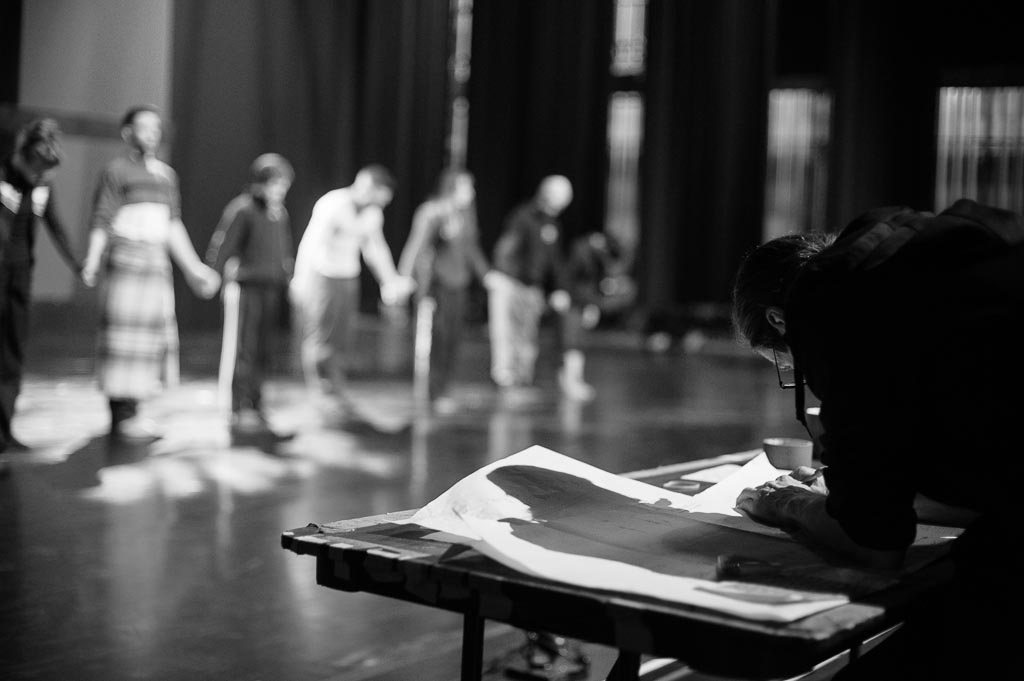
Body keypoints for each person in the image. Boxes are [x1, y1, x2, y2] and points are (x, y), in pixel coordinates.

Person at [730, 198, 1024, 680]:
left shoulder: (840, 313)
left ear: (781, 321)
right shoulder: (914, 264)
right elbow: (993, 480)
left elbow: (874, 546)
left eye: (787, 364)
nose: (800, 371)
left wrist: (787, 503)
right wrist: (876, 492)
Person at [81, 105, 220, 440]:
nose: (151, 134)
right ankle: (120, 414)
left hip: (155, 265)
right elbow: (102, 218)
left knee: (148, 342)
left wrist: (194, 269)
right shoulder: (115, 172)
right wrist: (92, 259)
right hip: (127, 260)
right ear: (127, 133)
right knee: (122, 341)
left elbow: (172, 226)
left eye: (156, 129)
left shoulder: (165, 176)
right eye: (144, 128)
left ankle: (135, 411)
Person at [290, 164, 413, 420]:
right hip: (324, 275)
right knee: (321, 335)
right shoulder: (333, 204)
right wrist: (300, 279)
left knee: (342, 336)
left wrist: (388, 280)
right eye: (381, 195)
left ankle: (335, 388)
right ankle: (320, 390)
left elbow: (375, 249)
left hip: (348, 276)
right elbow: (311, 242)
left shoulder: (372, 214)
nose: (383, 202)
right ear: (368, 186)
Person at [0, 118, 82, 453]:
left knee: (12, 354)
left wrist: (78, 264)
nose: (41, 178)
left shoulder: (42, 186)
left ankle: (3, 433)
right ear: (24, 156)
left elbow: (56, 227)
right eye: (38, 170)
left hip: (20, 276)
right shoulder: (4, 176)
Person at [205, 153, 295, 441]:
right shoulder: (242, 209)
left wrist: (288, 276)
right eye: (273, 184)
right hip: (245, 287)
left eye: (283, 185)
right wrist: (213, 275)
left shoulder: (279, 213)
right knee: (243, 348)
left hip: (270, 288)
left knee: (263, 349)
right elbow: (223, 245)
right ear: (259, 183)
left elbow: (284, 251)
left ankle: (255, 402)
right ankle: (238, 406)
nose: (278, 191)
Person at [397, 168, 496, 413]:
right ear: (452, 187)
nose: (471, 193)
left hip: (458, 284)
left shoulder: (465, 216)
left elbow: (471, 250)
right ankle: (433, 393)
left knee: (453, 339)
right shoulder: (432, 212)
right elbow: (417, 245)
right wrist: (404, 278)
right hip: (436, 286)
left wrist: (486, 274)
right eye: (466, 187)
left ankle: (445, 389)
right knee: (437, 341)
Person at [488, 175, 573, 392]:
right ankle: (507, 378)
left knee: (527, 337)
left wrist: (560, 289)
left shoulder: (552, 224)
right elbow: (507, 247)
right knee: (508, 333)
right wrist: (500, 274)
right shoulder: (524, 217)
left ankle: (522, 379)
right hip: (513, 282)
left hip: (533, 288)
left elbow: (554, 260)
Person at [557, 230, 637, 400]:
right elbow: (568, 276)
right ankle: (570, 380)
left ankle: (573, 379)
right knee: (572, 341)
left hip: (585, 300)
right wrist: (563, 293)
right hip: (573, 299)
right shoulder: (582, 251)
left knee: (578, 342)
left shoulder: (600, 258)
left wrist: (594, 304)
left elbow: (598, 282)